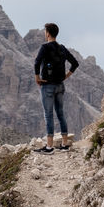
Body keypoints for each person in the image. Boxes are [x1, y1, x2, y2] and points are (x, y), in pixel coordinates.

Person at [33, 22, 78, 153]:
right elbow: (75, 63)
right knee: (60, 113)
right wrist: (66, 76)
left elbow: (37, 62)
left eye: (45, 31)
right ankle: (64, 144)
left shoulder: (44, 47)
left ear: (47, 33)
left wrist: (37, 77)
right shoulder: (62, 48)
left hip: (47, 86)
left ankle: (49, 146)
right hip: (60, 85)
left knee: (48, 115)